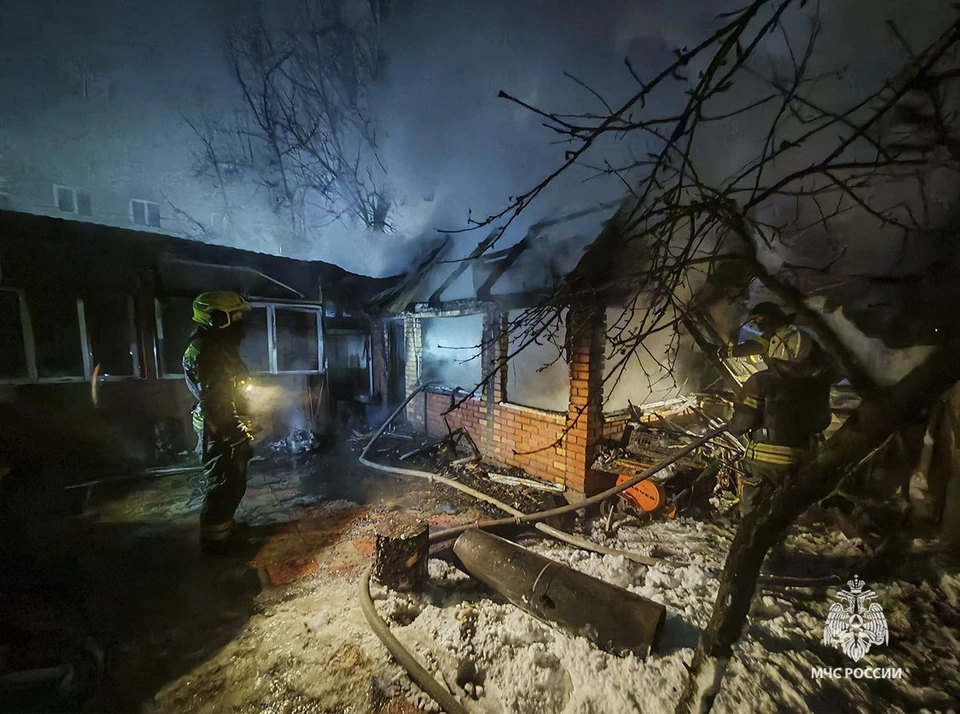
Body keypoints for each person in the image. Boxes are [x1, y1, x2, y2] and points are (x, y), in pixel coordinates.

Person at [727, 305, 834, 519]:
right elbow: (821, 423)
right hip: (800, 461)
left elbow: (741, 424)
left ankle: (749, 533)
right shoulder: (814, 386)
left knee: (752, 517)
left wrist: (733, 424)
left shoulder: (761, 381)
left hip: (762, 465)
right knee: (785, 515)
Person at [183, 291, 255, 555]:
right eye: (235, 316)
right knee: (225, 484)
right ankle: (216, 544)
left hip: (220, 424)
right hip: (218, 428)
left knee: (232, 481)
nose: (240, 321)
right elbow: (215, 404)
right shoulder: (209, 351)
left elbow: (230, 380)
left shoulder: (215, 344)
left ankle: (224, 528)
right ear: (216, 318)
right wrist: (237, 435)